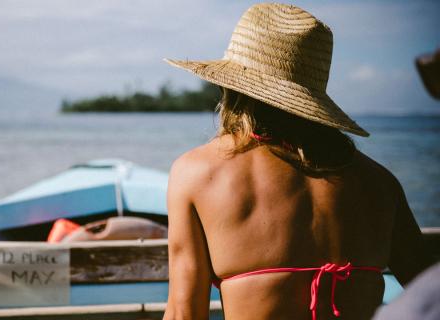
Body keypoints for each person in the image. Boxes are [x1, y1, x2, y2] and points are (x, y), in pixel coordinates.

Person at [162, 3, 433, 320]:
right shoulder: (380, 184)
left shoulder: (198, 175)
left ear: (232, 88)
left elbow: (184, 314)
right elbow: (429, 290)